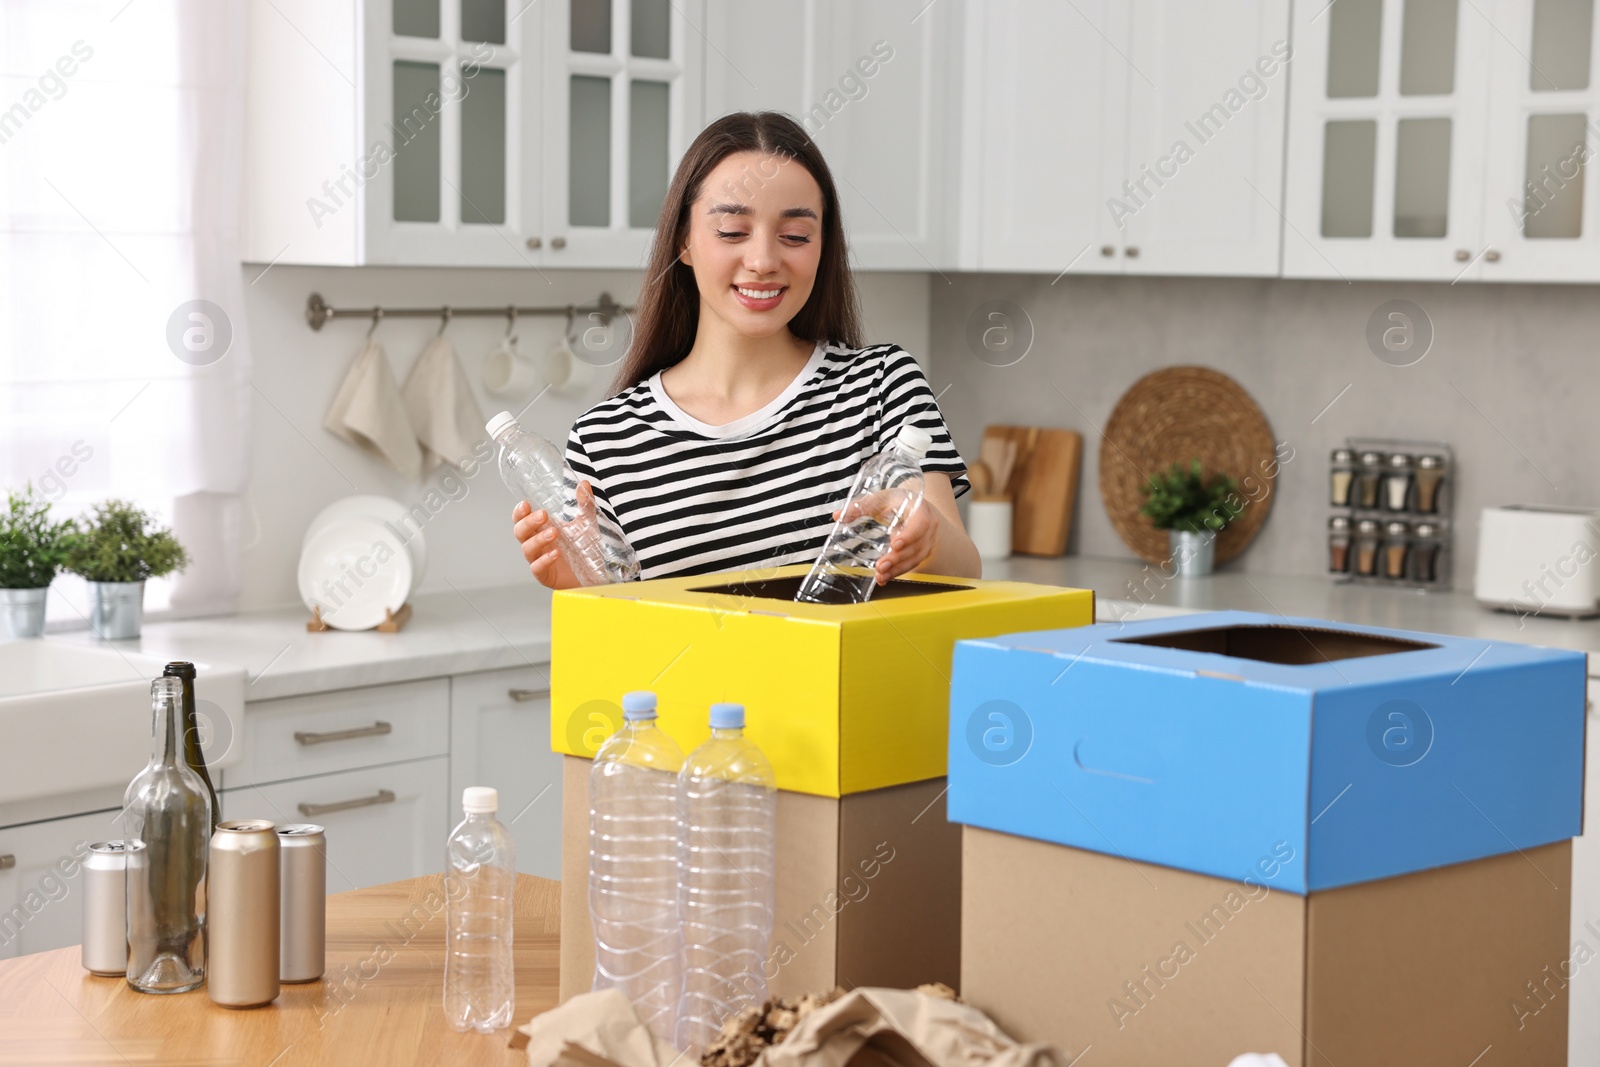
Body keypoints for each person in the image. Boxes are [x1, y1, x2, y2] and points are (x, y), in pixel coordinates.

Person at [512, 111, 980, 589]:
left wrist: (930, 539)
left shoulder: (882, 386)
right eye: (732, 232)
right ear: (685, 241)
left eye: (795, 236)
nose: (762, 261)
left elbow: (964, 572)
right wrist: (579, 588)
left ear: (823, 246)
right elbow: (620, 641)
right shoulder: (605, 440)